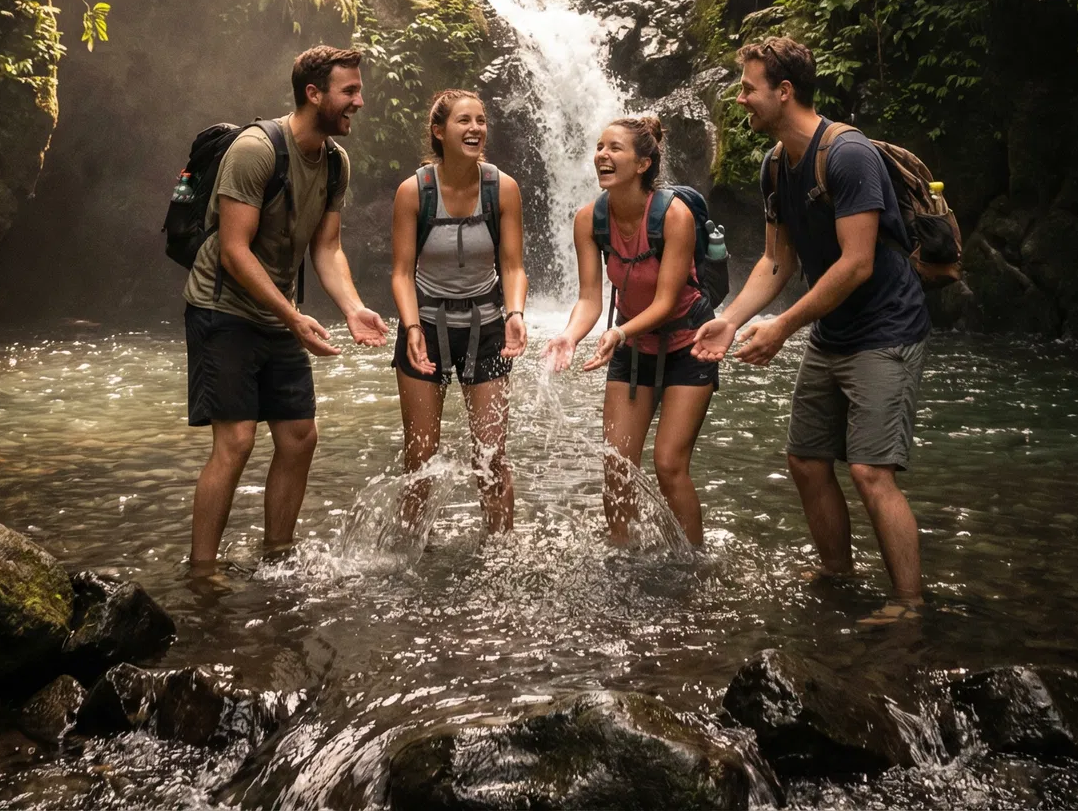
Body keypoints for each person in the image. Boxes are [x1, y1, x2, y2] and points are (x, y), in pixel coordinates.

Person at [692, 37, 931, 620]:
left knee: (870, 471)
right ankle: (836, 572)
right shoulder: (776, 165)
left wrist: (783, 326)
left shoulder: (847, 154)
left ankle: (908, 603)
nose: (740, 99)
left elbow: (857, 263)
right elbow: (777, 262)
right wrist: (729, 321)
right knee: (806, 459)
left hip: (887, 328)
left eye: (748, 88)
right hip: (832, 331)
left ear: (784, 91)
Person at [184, 44, 388, 567]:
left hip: (279, 313)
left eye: (359, 90)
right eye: (349, 91)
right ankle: (202, 572)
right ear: (313, 93)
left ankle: (277, 555)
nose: (359, 101)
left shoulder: (335, 163)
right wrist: (292, 316)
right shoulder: (256, 150)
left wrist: (352, 308)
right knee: (236, 441)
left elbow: (327, 247)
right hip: (222, 308)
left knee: (299, 437)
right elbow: (233, 252)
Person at [545, 115, 717, 547]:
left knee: (669, 465)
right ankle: (625, 557)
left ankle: (693, 564)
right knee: (617, 466)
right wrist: (570, 335)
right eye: (599, 147)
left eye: (614, 148)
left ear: (642, 164)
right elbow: (590, 299)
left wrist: (619, 334)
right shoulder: (589, 219)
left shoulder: (674, 215)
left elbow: (665, 302)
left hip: (688, 345)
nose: (602, 155)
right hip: (633, 347)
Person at [391, 89, 528, 531]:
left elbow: (513, 266)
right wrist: (411, 326)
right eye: (464, 121)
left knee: (491, 457)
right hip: (426, 327)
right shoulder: (414, 192)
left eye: (481, 121)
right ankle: (410, 550)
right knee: (420, 457)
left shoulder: (502, 188)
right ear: (438, 131)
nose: (475, 129)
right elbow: (401, 272)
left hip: (486, 328)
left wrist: (515, 314)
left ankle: (501, 552)